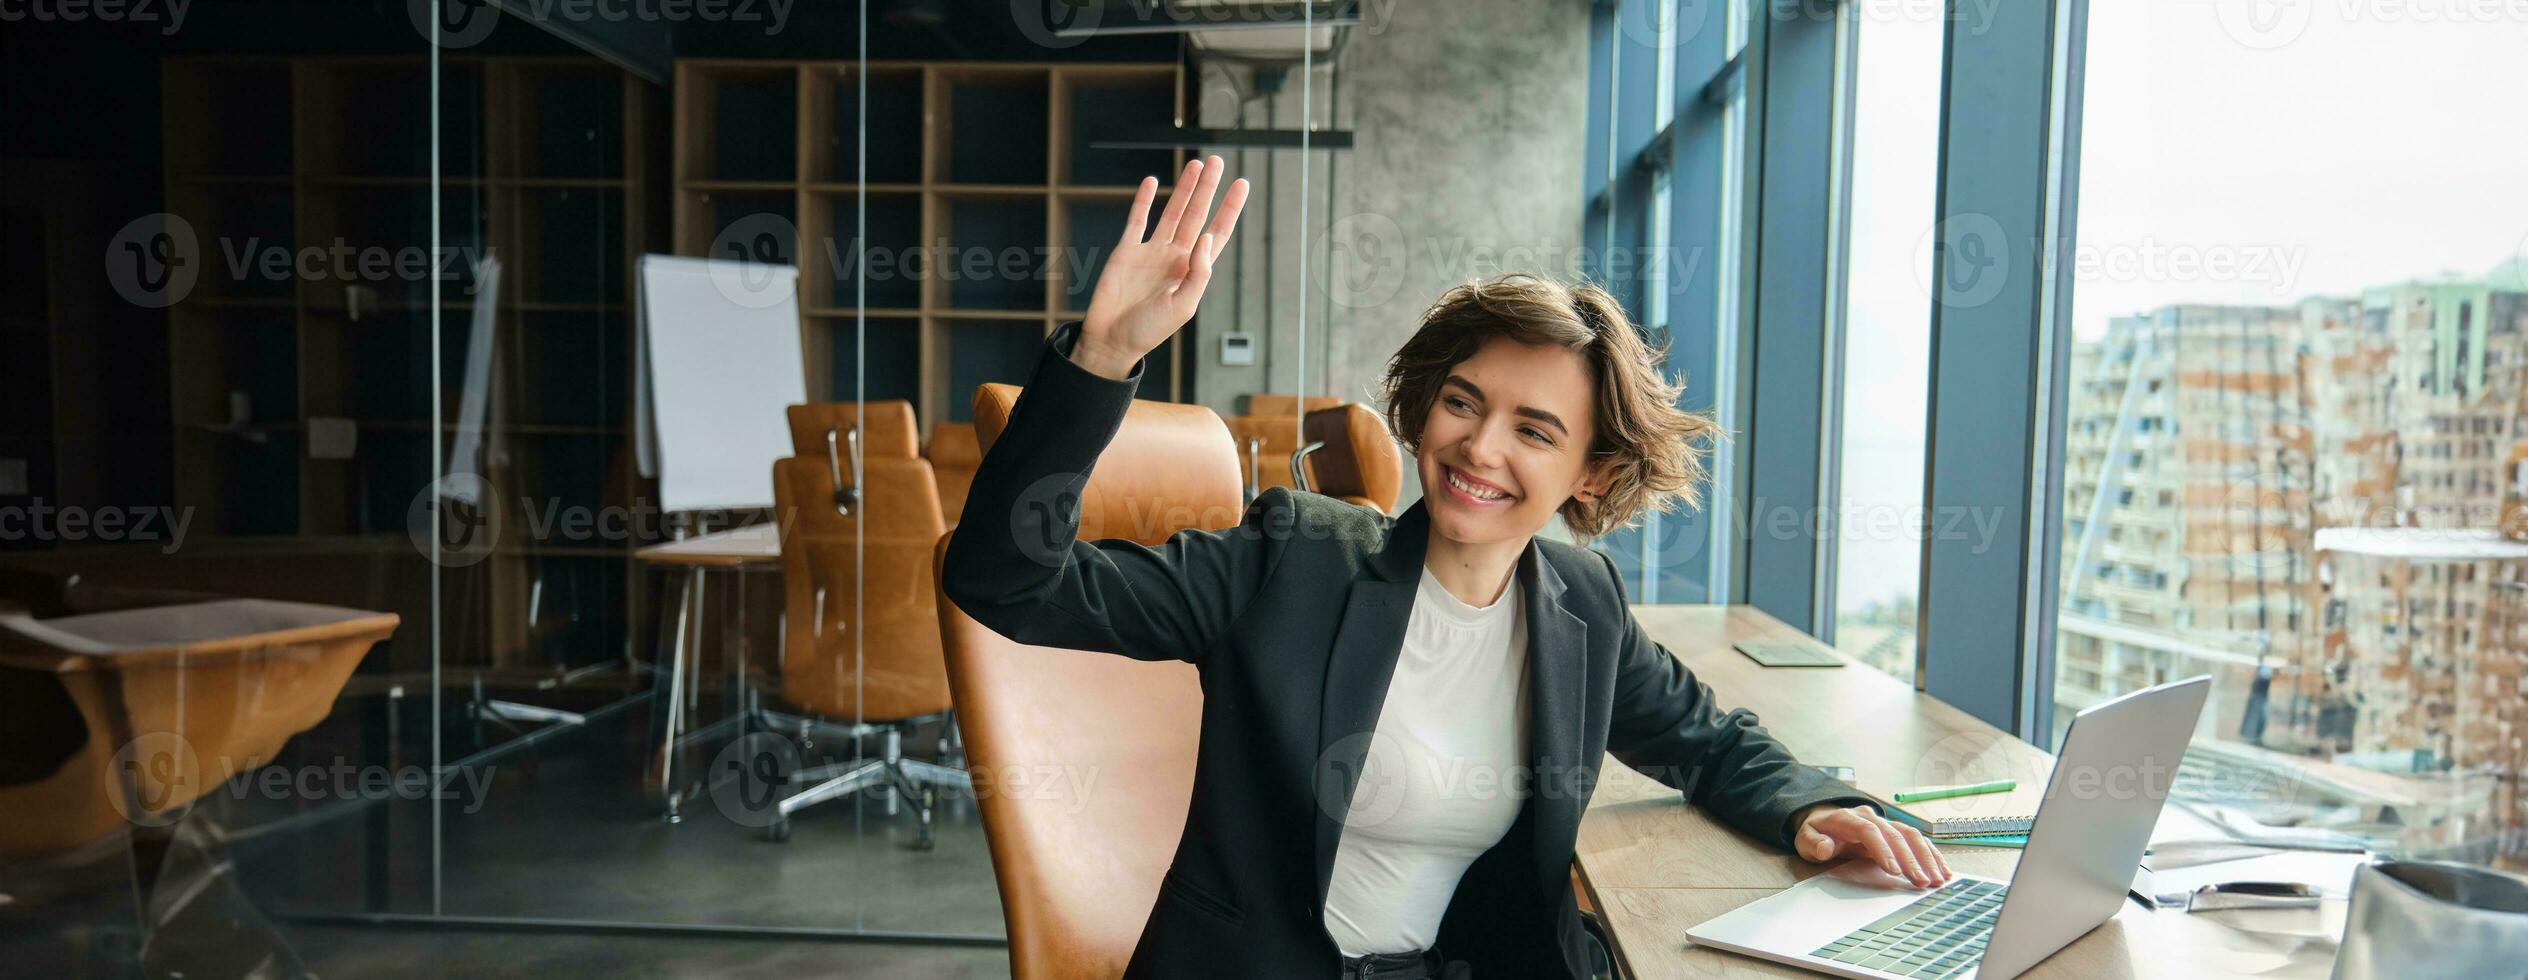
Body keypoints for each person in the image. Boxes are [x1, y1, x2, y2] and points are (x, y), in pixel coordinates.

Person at [941, 156, 1952, 980]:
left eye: (1533, 428)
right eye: (1463, 402)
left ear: (1588, 474)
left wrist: (1818, 807)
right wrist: (1101, 359)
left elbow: (1706, 742)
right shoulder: (1292, 558)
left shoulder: (1578, 605)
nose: (1479, 448)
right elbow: (1005, 580)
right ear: (1424, 406)